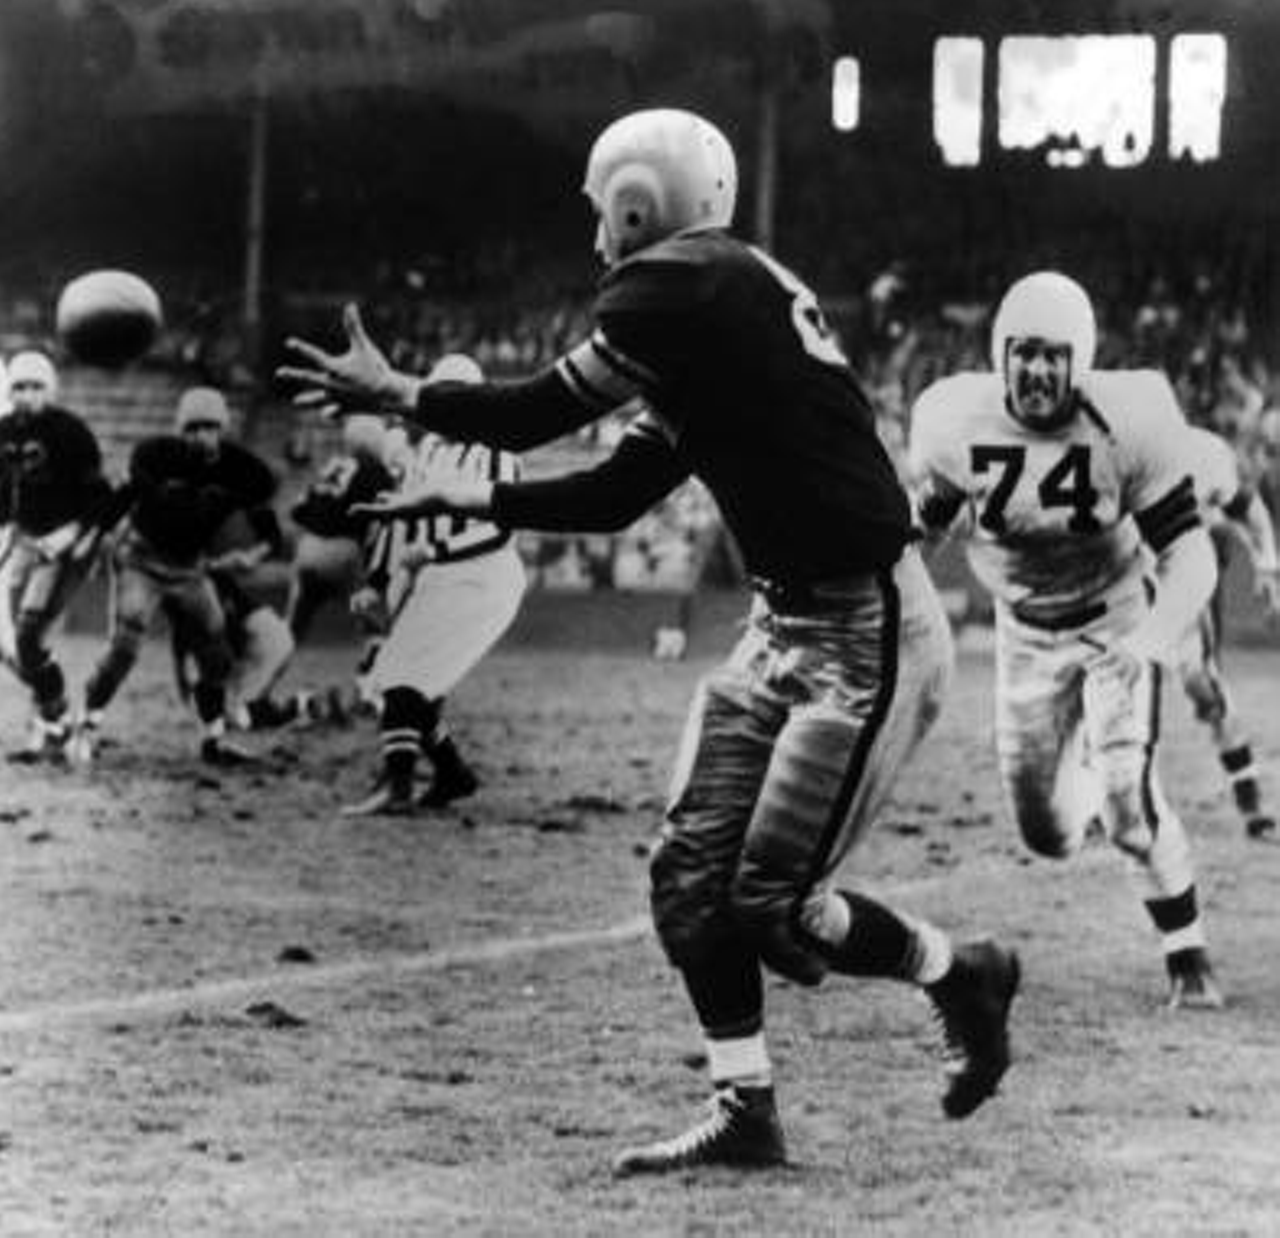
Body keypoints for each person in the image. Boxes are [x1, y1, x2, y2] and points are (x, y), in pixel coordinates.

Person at [281, 107, 1020, 1175]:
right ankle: (745, 1107)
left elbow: (537, 409)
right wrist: (478, 490)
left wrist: (403, 393)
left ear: (640, 200)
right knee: (686, 875)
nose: (596, 241)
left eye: (604, 214)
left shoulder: (683, 282)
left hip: (867, 627)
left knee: (771, 904)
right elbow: (619, 490)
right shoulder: (717, 304)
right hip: (781, 620)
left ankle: (964, 971)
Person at [908, 270, 1223, 1011]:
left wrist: (1146, 641)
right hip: (1025, 635)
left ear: (1079, 361)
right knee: (1048, 835)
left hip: (1114, 622)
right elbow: (918, 531)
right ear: (1000, 354)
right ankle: (1092, 768)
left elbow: (1193, 555)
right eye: (1024, 353)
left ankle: (1189, 958)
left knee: (1129, 808)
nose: (1038, 370)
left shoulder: (1133, 417)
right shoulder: (958, 421)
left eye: (1054, 355)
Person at [342, 354, 525, 816]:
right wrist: (377, 580)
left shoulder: (498, 452)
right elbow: (397, 522)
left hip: (485, 574)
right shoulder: (426, 454)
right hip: (436, 575)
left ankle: (398, 785)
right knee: (401, 679)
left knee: (402, 675)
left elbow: (501, 527)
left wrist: (437, 553)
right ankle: (451, 773)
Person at [73, 386, 280, 767]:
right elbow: (121, 501)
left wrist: (254, 554)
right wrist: (89, 542)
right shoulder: (157, 456)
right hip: (142, 558)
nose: (200, 436)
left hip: (190, 568)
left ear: (223, 428)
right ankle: (88, 723)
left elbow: (269, 529)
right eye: (192, 428)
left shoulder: (241, 469)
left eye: (209, 427)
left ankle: (214, 737)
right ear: (179, 429)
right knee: (127, 641)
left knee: (216, 650)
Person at [0, 350, 118, 762]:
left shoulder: (70, 431)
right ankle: (56, 719)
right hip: (28, 541)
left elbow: (102, 497)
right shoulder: (3, 431)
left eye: (35, 386)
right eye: (19, 386)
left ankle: (57, 719)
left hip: (66, 543)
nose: (27, 395)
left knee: (30, 633)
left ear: (50, 390)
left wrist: (74, 535)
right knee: (22, 642)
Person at [1175, 423, 1280, 842]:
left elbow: (1243, 510)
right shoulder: (1118, 446)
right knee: (1110, 689)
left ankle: (1250, 800)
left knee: (1203, 684)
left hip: (1182, 585)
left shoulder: (1203, 452)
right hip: (1126, 584)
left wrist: (1267, 565)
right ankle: (1103, 798)